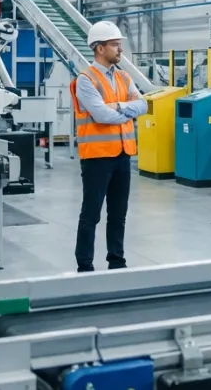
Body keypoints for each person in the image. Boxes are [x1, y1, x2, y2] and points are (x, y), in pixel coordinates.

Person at [70, 21, 149, 272]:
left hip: (123, 155)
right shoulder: (85, 79)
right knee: (91, 215)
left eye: (119, 44)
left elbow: (143, 105)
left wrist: (117, 108)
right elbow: (101, 116)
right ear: (100, 48)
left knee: (118, 214)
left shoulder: (124, 77)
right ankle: (85, 265)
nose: (120, 50)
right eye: (115, 45)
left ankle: (117, 261)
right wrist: (126, 110)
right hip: (96, 158)